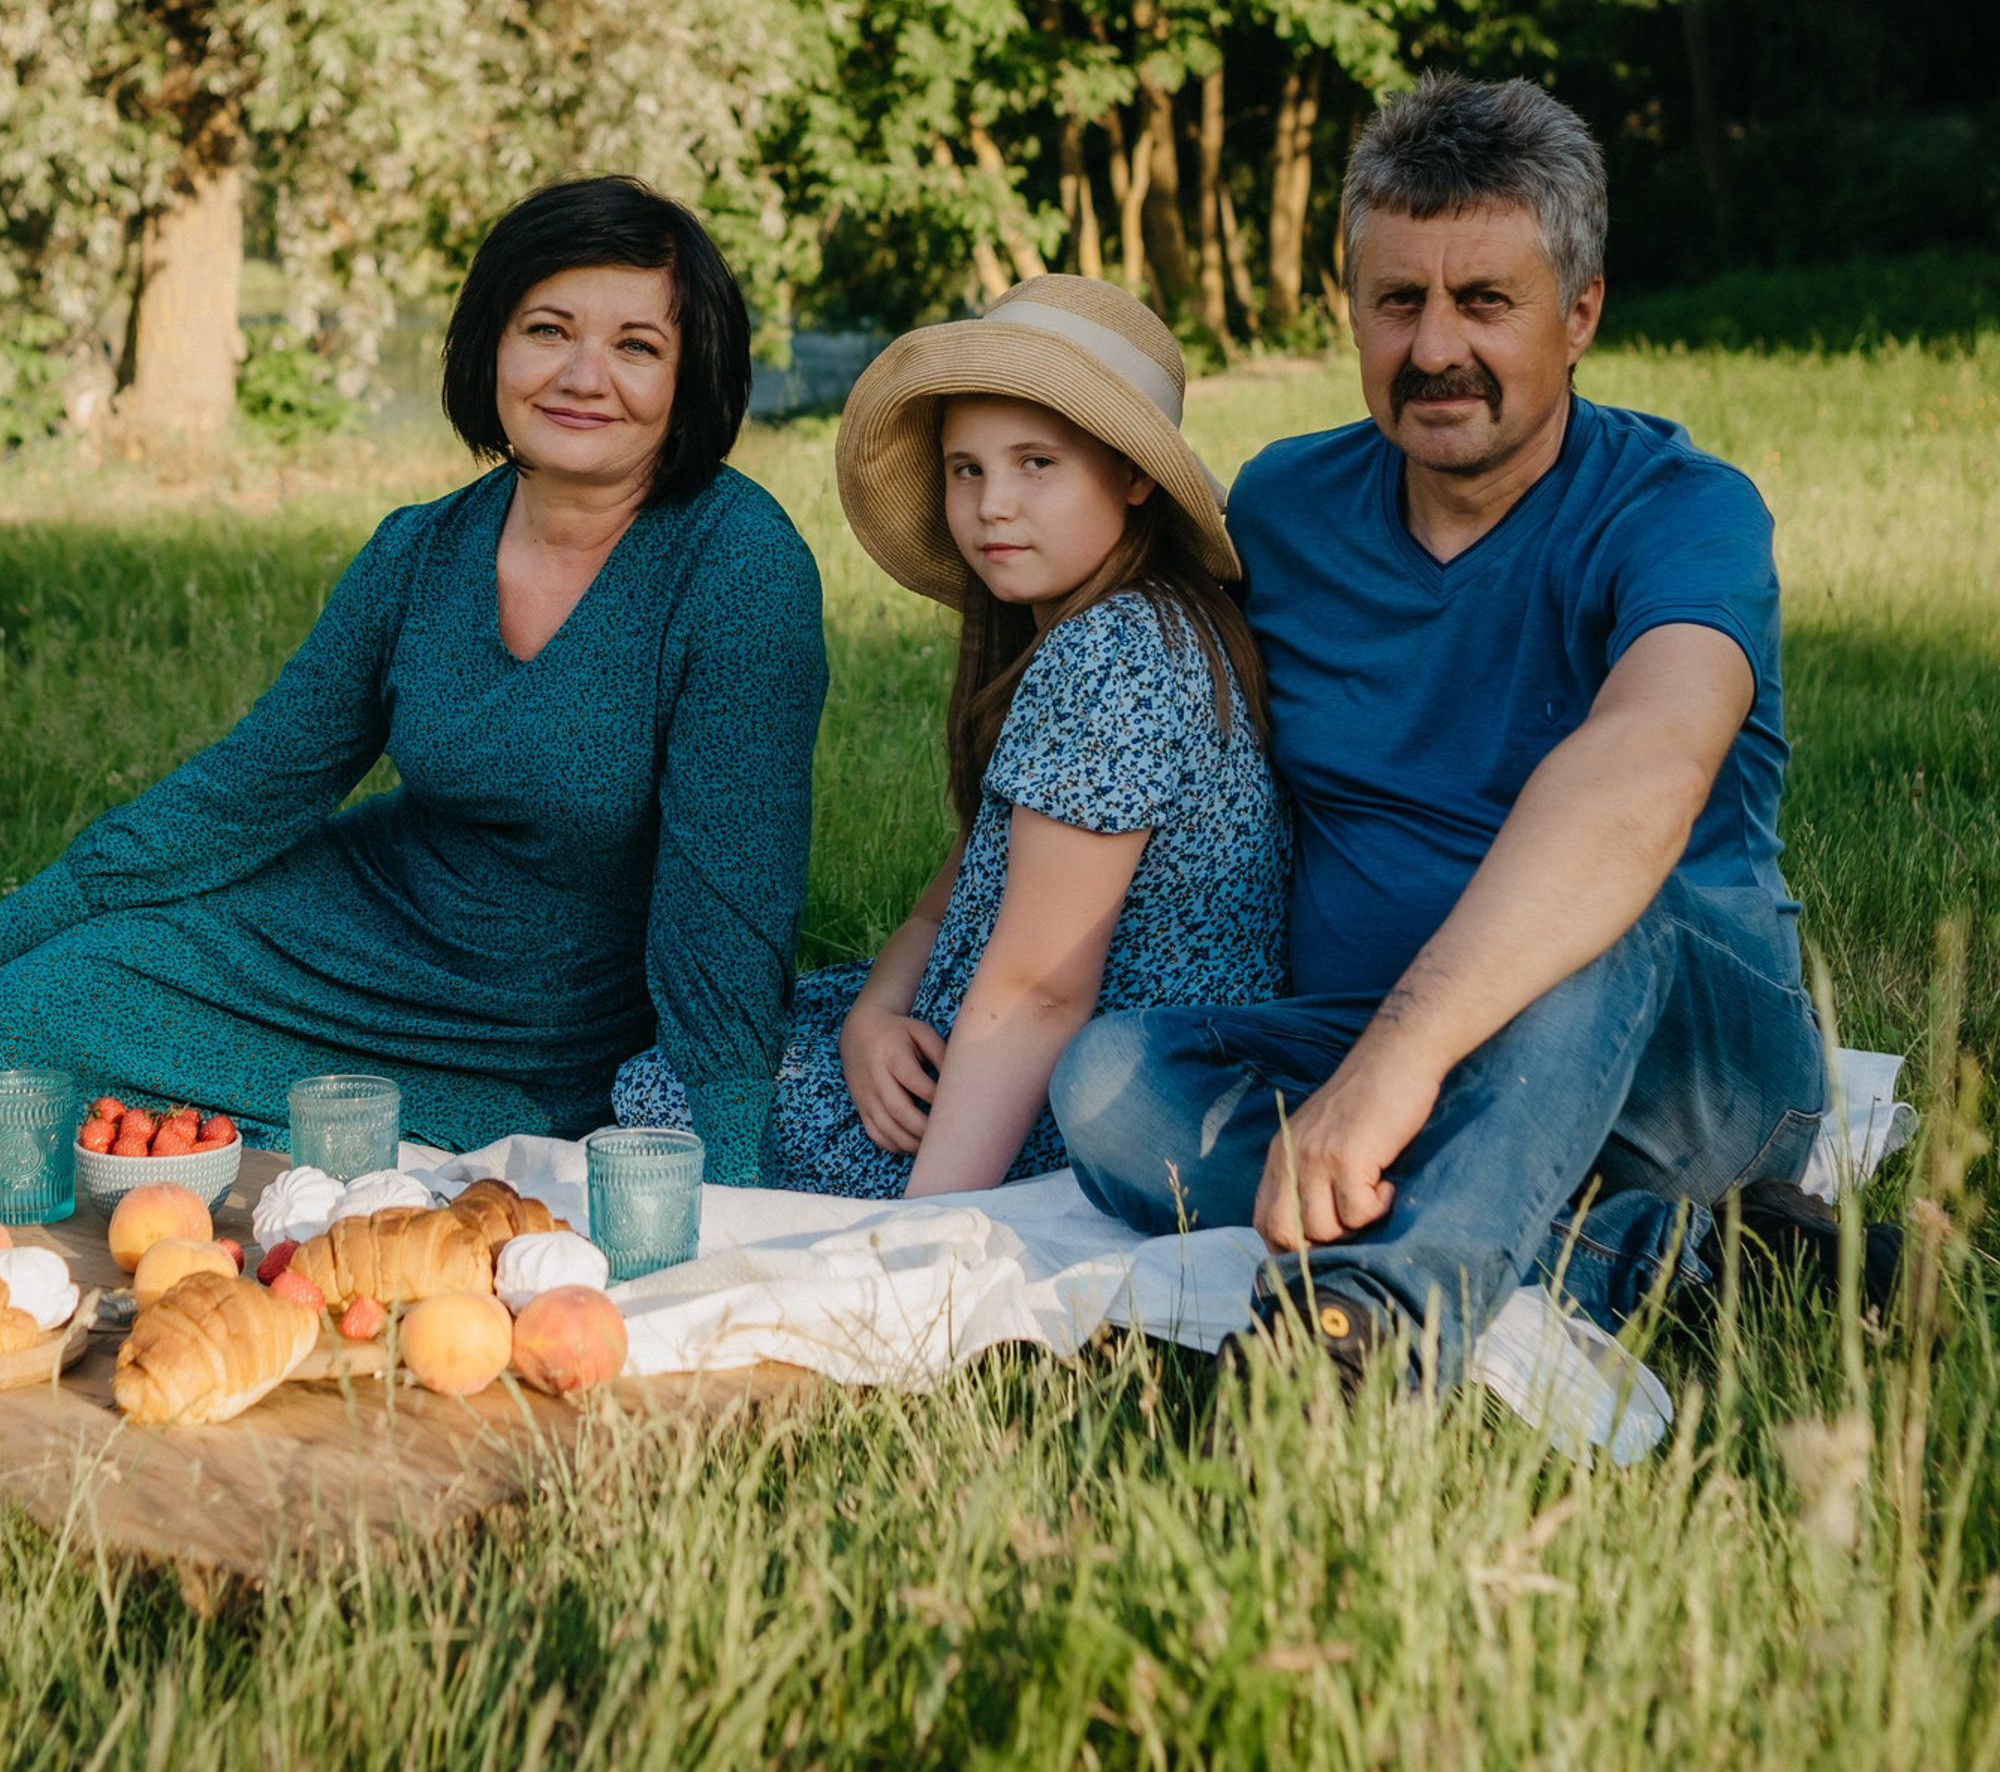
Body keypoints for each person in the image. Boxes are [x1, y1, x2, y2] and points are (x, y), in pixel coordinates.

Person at [1051, 76, 1893, 1384]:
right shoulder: (1282, 508)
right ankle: (1695, 1261)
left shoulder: (1684, 513)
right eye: (1400, 302)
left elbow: (1641, 775)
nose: (1436, 347)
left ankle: (1359, 1337)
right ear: (1353, 311)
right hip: (1372, 1038)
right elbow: (1112, 714)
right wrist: (915, 960)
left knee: (1608, 901)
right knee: (1107, 1084)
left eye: (1486, 302)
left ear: (1582, 314)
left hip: (1688, 1068)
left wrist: (1395, 1067)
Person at [0, 176, 828, 1186]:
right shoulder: (419, 550)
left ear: (689, 376)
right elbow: (245, 791)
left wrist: (731, 1187)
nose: (583, 375)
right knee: (9, 1027)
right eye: (547, 329)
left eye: (635, 346)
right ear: (490, 343)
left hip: (541, 1034)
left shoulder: (739, 569)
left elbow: (732, 915)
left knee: (396, 1158)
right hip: (347, 932)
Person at [619, 278, 1288, 1196]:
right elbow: (958, 888)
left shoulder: (1114, 654)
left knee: (669, 1091)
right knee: (727, 1027)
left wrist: (926, 1242)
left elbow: (1040, 993)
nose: (991, 505)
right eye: (966, 468)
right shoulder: (1117, 628)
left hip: (1049, 1106)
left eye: (1036, 464)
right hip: (992, 1038)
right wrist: (874, 1012)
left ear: (1135, 475)